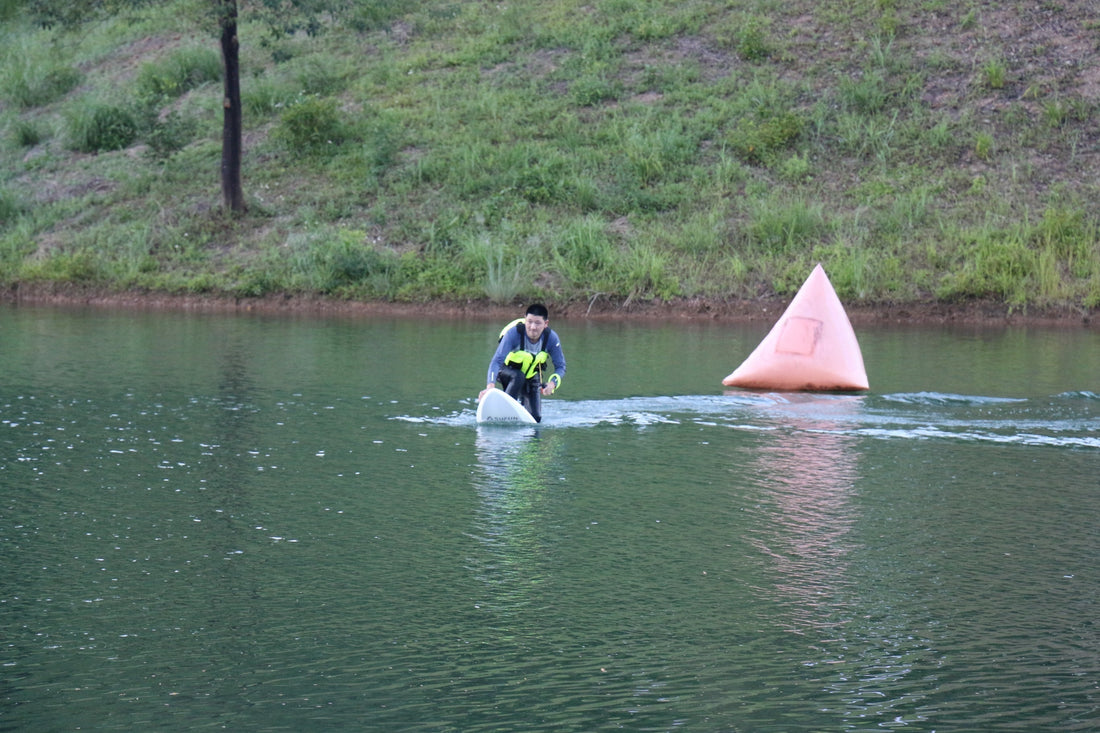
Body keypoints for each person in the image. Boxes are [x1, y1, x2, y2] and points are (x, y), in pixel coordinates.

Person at [479, 304, 566, 423]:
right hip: (506, 372)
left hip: (530, 377)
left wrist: (552, 384)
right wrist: (490, 387)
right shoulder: (514, 334)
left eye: (538, 323)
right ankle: (505, 411)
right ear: (525, 319)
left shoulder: (551, 339)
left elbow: (560, 367)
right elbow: (496, 361)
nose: (533, 327)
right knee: (518, 376)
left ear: (546, 324)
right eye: (529, 322)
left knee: (535, 419)